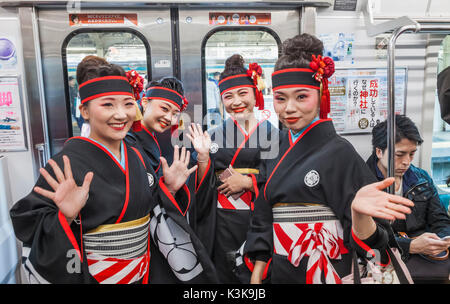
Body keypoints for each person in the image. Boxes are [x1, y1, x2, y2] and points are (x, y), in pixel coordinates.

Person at [9, 57, 210, 284]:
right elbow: (26, 221)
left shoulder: (136, 157)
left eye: (126, 104)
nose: (121, 114)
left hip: (142, 274)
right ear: (84, 110)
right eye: (108, 104)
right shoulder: (67, 163)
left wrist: (170, 189)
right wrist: (65, 216)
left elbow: (151, 209)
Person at [243, 34, 415, 284]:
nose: (289, 108)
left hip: (327, 270)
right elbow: (262, 215)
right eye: (281, 98)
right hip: (280, 268)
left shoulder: (339, 152)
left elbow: (376, 240)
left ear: (321, 94)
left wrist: (359, 215)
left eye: (301, 97)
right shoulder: (274, 147)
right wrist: (258, 272)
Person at [187, 54, 280, 283]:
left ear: (255, 94)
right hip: (221, 220)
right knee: (224, 273)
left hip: (258, 217)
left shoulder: (274, 134)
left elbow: (282, 178)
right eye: (228, 96)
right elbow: (202, 181)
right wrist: (203, 157)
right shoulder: (215, 135)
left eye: (242, 93)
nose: (236, 102)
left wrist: (249, 182)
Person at [367, 114, 450, 283]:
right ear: (379, 151)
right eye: (400, 154)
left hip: (423, 253)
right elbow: (364, 235)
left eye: (412, 154)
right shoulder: (363, 182)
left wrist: (442, 240)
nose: (407, 162)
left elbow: (440, 220)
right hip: (383, 252)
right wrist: (409, 246)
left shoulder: (421, 179)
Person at [126, 77, 188, 179]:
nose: (169, 118)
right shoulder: (128, 141)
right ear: (145, 103)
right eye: (164, 109)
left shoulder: (145, 136)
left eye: (175, 114)